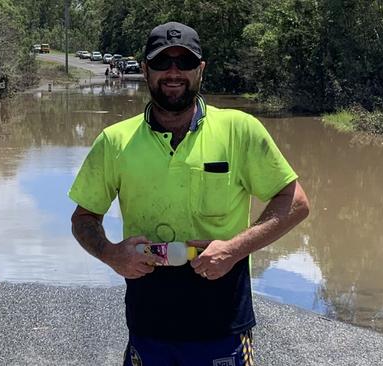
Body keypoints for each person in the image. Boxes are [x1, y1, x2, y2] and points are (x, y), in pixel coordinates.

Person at [69, 21, 310, 366]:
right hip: (148, 324)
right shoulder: (115, 141)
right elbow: (83, 218)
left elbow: (296, 203)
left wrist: (233, 249)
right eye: (162, 62)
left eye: (184, 62)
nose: (173, 72)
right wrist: (110, 253)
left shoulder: (239, 130)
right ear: (145, 69)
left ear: (200, 70)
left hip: (223, 324)